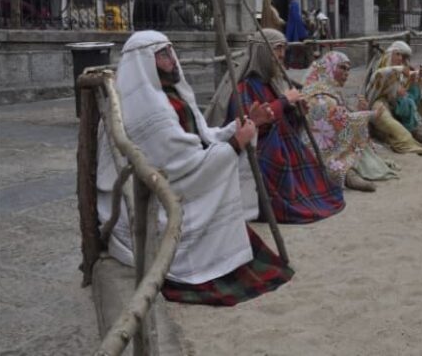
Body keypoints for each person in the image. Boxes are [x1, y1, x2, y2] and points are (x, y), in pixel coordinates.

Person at [97, 31, 292, 305]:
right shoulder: (150, 107)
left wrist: (246, 124)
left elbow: (202, 138)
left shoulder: (167, 93)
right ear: (145, 63)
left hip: (173, 180)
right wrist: (236, 143)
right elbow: (183, 166)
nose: (172, 60)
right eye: (163, 55)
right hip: (155, 198)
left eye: (171, 52)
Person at [206, 29, 345, 224]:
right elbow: (250, 126)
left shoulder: (272, 84)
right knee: (278, 162)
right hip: (260, 152)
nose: (282, 55)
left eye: (283, 49)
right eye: (277, 48)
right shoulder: (243, 88)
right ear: (263, 52)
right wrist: (283, 102)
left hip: (285, 144)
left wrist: (297, 113)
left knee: (321, 186)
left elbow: (284, 121)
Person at [301, 51, 399, 192]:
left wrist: (359, 110)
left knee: (357, 141)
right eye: (342, 68)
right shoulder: (320, 95)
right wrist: (369, 115)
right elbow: (340, 122)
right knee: (350, 146)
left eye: (348, 69)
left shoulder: (331, 90)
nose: (347, 73)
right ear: (329, 67)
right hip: (317, 148)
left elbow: (342, 115)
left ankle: (350, 170)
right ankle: (347, 173)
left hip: (331, 140)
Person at [365, 40, 422, 151]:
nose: (400, 58)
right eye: (397, 54)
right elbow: (379, 75)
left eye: (402, 56)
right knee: (385, 117)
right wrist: (401, 72)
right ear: (390, 54)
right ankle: (406, 136)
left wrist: (416, 80)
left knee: (415, 93)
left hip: (400, 105)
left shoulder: (401, 69)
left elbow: (405, 87)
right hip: (382, 103)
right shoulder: (383, 68)